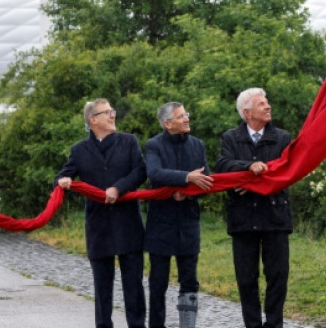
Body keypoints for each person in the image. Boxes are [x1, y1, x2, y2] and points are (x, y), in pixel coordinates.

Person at [56, 98, 147, 328]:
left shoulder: (129, 142)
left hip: (128, 224)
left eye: (113, 111)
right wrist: (63, 180)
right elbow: (63, 175)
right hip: (99, 228)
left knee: (134, 286)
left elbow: (140, 171)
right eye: (107, 112)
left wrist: (118, 188)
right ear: (93, 119)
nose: (113, 115)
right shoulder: (78, 150)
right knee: (102, 287)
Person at [215, 88, 293, 328]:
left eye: (267, 103)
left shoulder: (283, 137)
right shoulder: (230, 138)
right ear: (248, 113)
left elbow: (285, 170)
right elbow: (223, 166)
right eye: (262, 104)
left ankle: (274, 325)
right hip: (243, 219)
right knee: (246, 279)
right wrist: (249, 167)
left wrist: (252, 184)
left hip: (275, 217)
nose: (268, 107)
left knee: (277, 277)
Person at [144, 102, 214, 328]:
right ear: (167, 123)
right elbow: (154, 173)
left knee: (190, 281)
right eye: (181, 116)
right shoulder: (153, 145)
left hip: (188, 223)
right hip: (161, 224)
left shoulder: (197, 145)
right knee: (158, 282)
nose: (187, 119)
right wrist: (186, 178)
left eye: (186, 114)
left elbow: (207, 182)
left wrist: (188, 194)